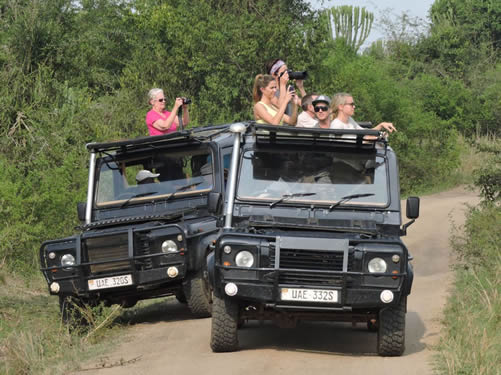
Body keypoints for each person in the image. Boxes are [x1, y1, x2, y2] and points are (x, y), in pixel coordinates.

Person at [330, 93, 397, 135]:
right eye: (351, 104)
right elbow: (354, 142)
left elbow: (364, 132)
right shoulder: (337, 125)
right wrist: (378, 136)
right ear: (341, 107)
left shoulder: (349, 120)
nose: (354, 106)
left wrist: (380, 125)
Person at [265, 59, 306, 125]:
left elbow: (308, 106)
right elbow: (281, 107)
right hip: (281, 131)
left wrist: (301, 88)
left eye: (288, 70)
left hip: (292, 129)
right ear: (274, 75)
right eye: (284, 71)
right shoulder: (270, 93)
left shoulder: (288, 90)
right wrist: (282, 85)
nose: (287, 73)